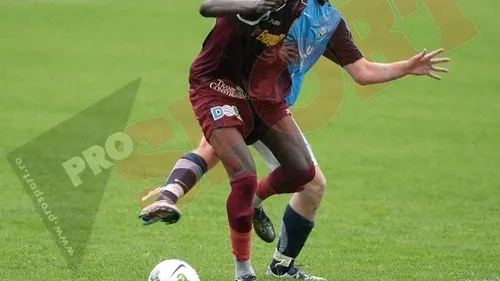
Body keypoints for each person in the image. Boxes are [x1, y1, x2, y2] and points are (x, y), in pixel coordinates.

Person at [140, 0, 450, 280]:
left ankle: (271, 251)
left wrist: (406, 68)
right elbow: (219, 13)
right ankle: (233, 243)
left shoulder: (328, 19)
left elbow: (363, 71)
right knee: (222, 154)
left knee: (302, 179)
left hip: (272, 102)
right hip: (235, 90)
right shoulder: (281, 6)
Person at [141, 1, 317, 281]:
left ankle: (238, 202)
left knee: (303, 172)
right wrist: (251, 6)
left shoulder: (300, 7)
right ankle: (244, 273)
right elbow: (207, 6)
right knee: (243, 175)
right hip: (215, 87)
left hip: (258, 92)